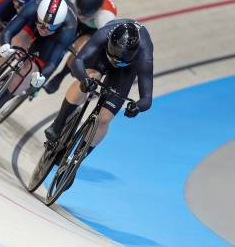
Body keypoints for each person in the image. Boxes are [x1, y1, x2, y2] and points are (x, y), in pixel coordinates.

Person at [0, 0, 78, 129]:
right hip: (31, 23)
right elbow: (8, 31)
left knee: (30, 70)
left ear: (58, 25)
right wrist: (5, 45)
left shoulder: (68, 29)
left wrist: (41, 76)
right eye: (41, 23)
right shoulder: (34, 6)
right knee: (17, 41)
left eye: (49, 27)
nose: (43, 29)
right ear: (38, 14)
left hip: (52, 40)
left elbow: (52, 62)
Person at [44, 19, 154, 157]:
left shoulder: (145, 56)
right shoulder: (104, 34)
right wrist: (85, 80)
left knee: (104, 118)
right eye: (113, 58)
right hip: (102, 56)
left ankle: (78, 157)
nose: (115, 63)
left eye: (119, 62)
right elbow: (77, 61)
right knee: (91, 77)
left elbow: (147, 98)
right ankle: (58, 125)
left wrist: (137, 107)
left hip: (125, 71)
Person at [43, 0, 117, 93]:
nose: (82, 14)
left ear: (97, 10)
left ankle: (60, 76)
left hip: (94, 30)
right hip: (75, 21)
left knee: (79, 50)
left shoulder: (105, 18)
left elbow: (103, 45)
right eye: (80, 10)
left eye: (85, 13)